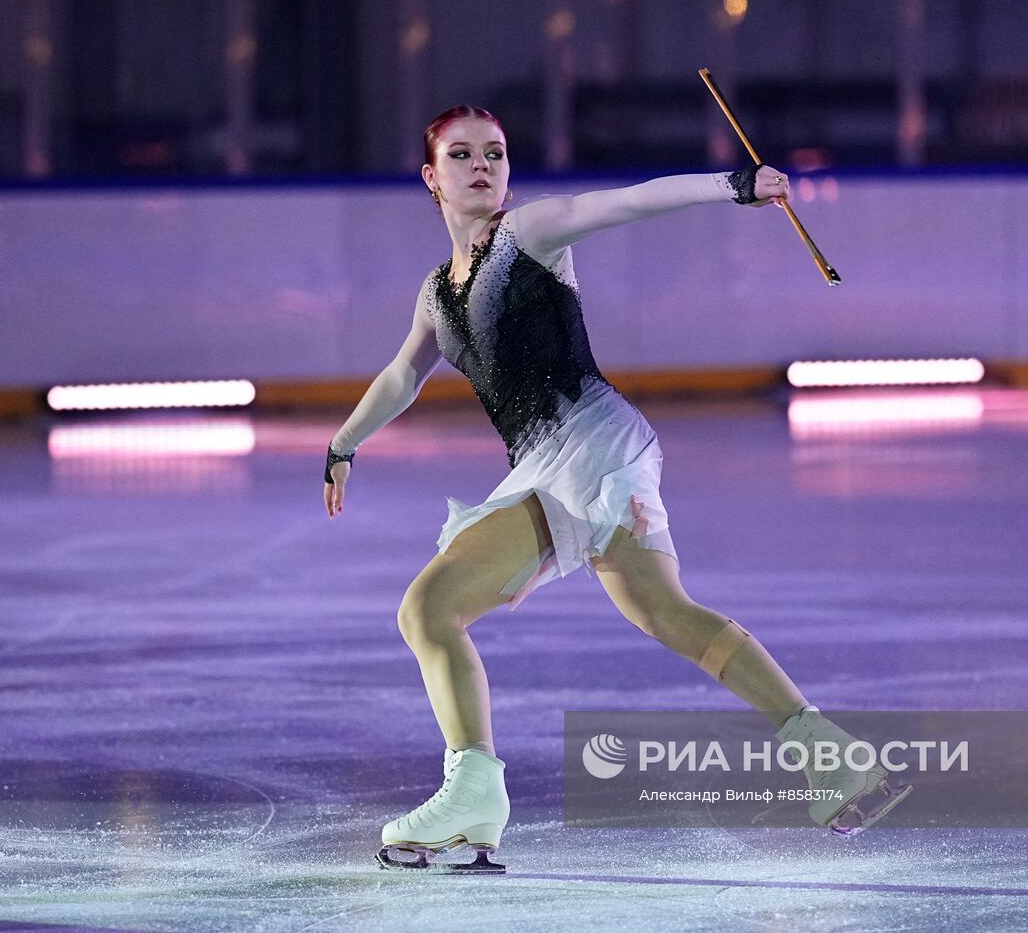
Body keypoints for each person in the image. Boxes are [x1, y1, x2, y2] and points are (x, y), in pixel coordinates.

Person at [324, 106, 909, 872]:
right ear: (431, 177)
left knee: (462, 609)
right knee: (617, 612)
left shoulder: (528, 235)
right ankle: (829, 754)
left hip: (594, 442)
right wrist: (345, 442)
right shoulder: (438, 292)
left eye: (495, 153)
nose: (481, 166)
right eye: (461, 155)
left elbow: (629, 201)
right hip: (547, 462)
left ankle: (477, 791)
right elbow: (405, 370)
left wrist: (734, 186)